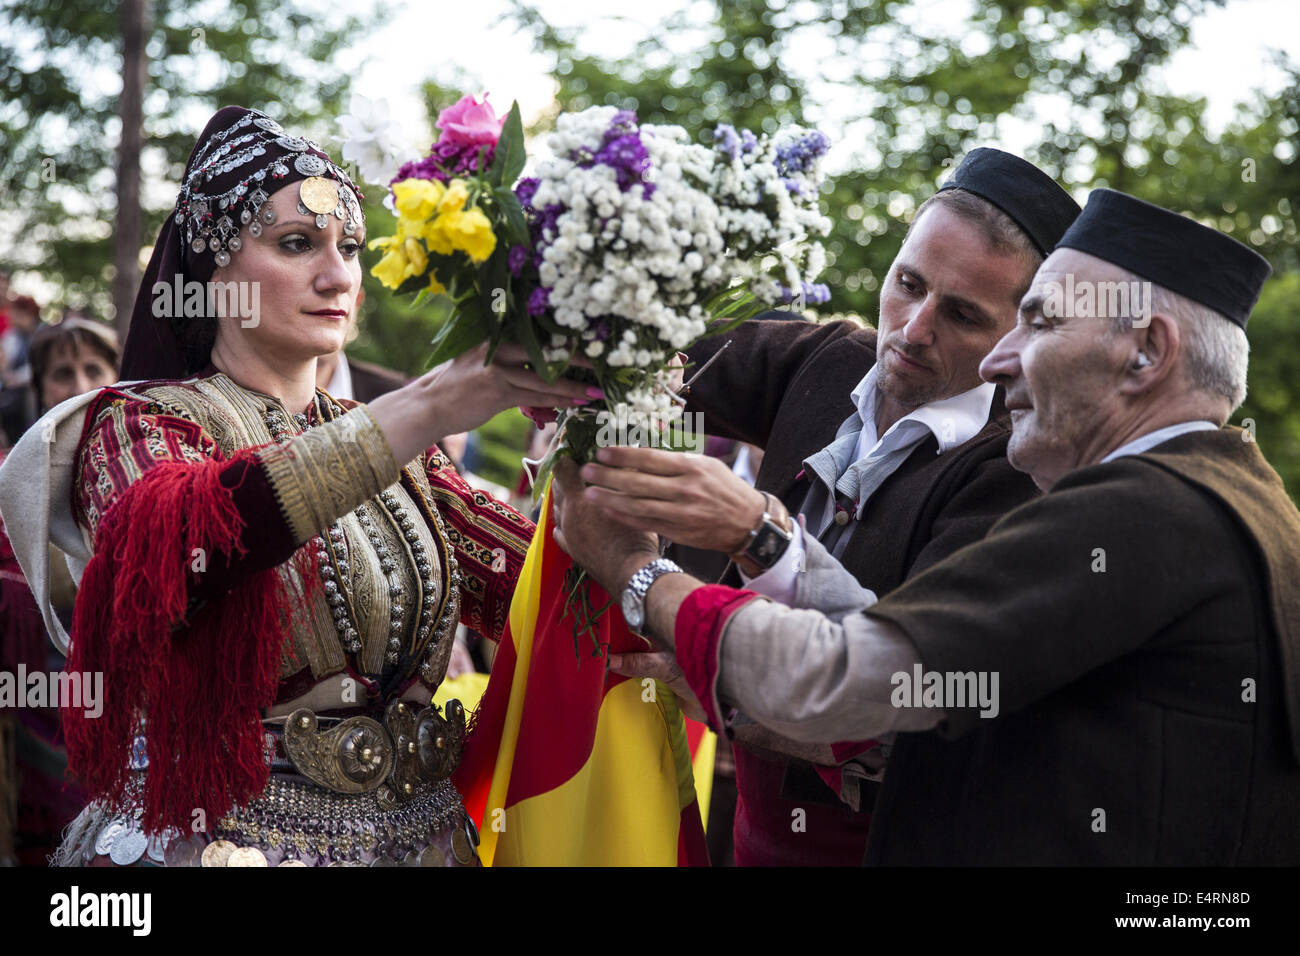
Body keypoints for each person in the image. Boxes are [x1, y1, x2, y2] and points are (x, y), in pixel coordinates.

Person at [552, 188, 1300, 865]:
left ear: (1147, 352)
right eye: (908, 283)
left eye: (1034, 321)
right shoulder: (1234, 499)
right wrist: (760, 539)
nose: (999, 361)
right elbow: (926, 670)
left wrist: (635, 572)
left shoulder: (1142, 510)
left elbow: (845, 686)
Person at [0, 106, 589, 867]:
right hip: (219, 843)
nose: (339, 274)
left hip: (425, 842)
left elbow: (542, 592)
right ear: (213, 271)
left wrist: (608, 441)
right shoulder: (137, 425)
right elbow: (178, 553)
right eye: (296, 244)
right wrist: (430, 406)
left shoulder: (403, 450)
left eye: (349, 247)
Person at [588, 148, 1078, 865]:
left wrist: (701, 664)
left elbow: (900, 716)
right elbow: (642, 342)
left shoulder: (1016, 475)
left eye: (964, 315)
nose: (913, 329)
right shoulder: (830, 360)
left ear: (1022, 335)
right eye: (908, 283)